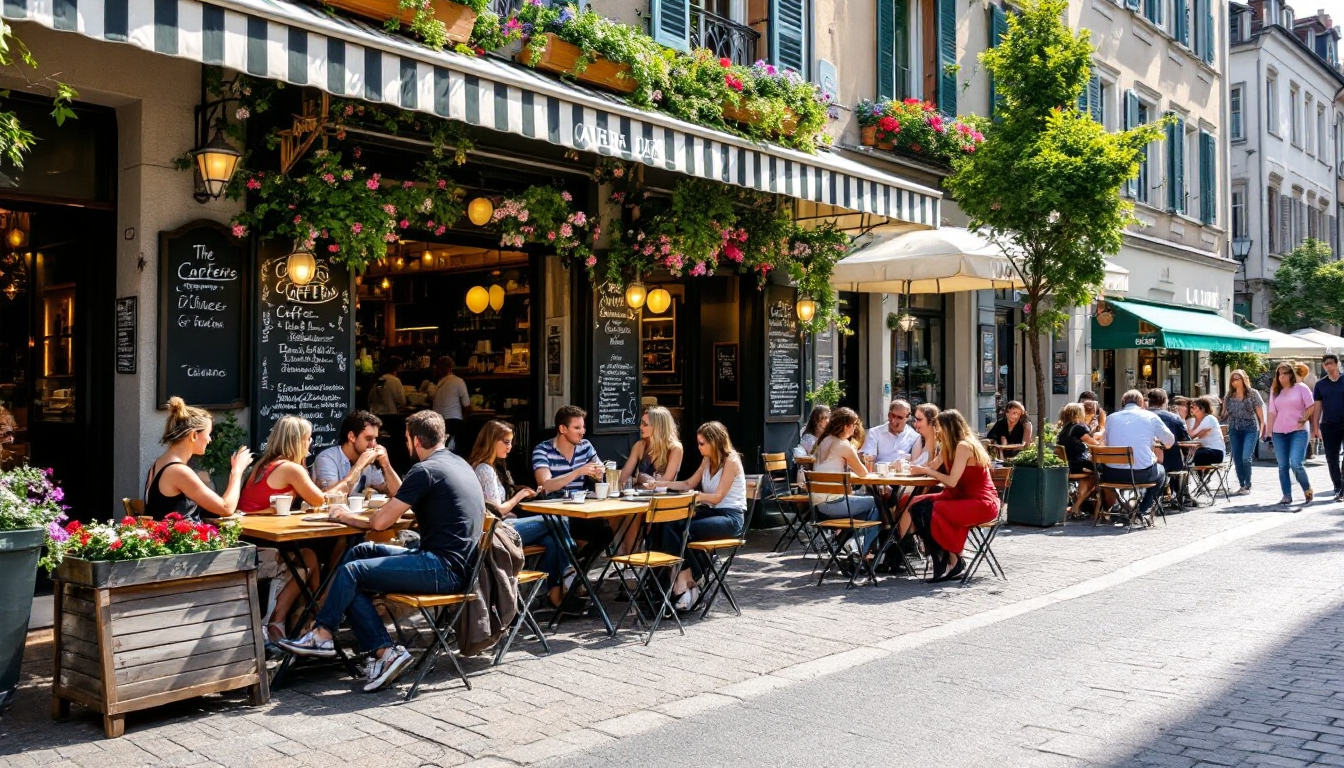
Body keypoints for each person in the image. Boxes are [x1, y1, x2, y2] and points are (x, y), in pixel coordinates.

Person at [279, 410, 486, 693]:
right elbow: (406, 503)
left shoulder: (426, 470)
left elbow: (380, 523)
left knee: (353, 571)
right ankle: (340, 639)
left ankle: (358, 643)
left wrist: (345, 516)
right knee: (360, 553)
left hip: (442, 569)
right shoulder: (455, 463)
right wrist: (388, 469)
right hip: (456, 564)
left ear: (414, 440)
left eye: (406, 438)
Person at [237, 416, 335, 646]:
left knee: (308, 555)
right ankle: (280, 622)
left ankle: (307, 615)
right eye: (308, 439)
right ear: (299, 441)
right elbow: (318, 499)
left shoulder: (262, 464)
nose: (311, 444)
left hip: (246, 543)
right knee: (307, 560)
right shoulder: (291, 468)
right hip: (262, 552)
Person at [469, 420, 572, 609]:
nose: (510, 447)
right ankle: (568, 569)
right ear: (492, 441)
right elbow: (498, 509)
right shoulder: (484, 469)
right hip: (499, 531)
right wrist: (521, 495)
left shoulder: (494, 467)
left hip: (505, 527)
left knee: (553, 540)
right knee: (560, 521)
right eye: (506, 442)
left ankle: (552, 592)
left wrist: (520, 490)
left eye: (510, 442)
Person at [661, 422, 747, 610]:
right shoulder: (707, 460)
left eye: (702, 443)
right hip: (711, 513)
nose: (699, 447)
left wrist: (696, 496)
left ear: (715, 442)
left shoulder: (731, 461)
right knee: (668, 524)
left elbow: (717, 497)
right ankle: (689, 573)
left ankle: (689, 577)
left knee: (683, 529)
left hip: (730, 518)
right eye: (698, 443)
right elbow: (687, 483)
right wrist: (660, 484)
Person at [908, 410, 1000, 583]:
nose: (936, 431)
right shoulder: (950, 446)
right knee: (917, 504)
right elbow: (932, 467)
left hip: (981, 503)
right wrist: (931, 443)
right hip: (961, 498)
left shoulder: (964, 446)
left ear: (948, 427)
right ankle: (946, 557)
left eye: (938, 427)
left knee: (929, 509)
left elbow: (951, 481)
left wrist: (926, 470)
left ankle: (948, 559)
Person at [144, 397, 253, 520]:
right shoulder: (178, 471)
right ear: (194, 435)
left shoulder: (159, 463)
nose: (210, 440)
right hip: (180, 538)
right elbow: (226, 508)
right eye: (208, 434)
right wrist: (237, 472)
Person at [532, 405, 612, 559]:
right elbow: (545, 485)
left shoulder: (586, 446)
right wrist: (578, 471)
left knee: (605, 532)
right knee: (571, 533)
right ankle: (572, 573)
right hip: (556, 513)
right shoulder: (542, 450)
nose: (583, 432)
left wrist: (599, 473)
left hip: (581, 510)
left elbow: (600, 469)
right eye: (577, 428)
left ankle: (576, 575)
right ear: (562, 429)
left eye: (583, 427)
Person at [810, 407, 881, 569]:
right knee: (877, 504)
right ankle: (862, 554)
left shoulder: (824, 440)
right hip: (835, 504)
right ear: (845, 426)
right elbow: (863, 473)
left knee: (865, 511)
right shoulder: (843, 445)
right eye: (853, 425)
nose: (855, 428)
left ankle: (850, 543)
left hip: (818, 505)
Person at [1101, 390, 1175, 521]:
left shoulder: (1111, 418)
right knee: (1161, 471)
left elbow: (1106, 442)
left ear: (1123, 403)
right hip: (1140, 473)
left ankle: (1124, 506)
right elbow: (1169, 440)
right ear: (1142, 403)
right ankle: (1143, 508)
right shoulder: (1150, 417)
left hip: (1112, 474)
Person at [312, 411, 401, 496]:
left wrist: (386, 465)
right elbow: (329, 496)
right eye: (368, 439)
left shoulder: (370, 462)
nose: (373, 444)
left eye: (375, 439)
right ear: (352, 437)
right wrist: (358, 467)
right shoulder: (327, 458)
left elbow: (398, 495)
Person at [1266, 362, 1316, 505]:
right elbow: (1271, 412)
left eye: (1285, 373)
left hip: (1298, 431)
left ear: (1291, 374)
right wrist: (1268, 432)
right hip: (1279, 432)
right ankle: (1287, 496)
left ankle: (1307, 489)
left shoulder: (1301, 388)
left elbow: (1311, 406)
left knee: (1296, 463)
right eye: (1279, 373)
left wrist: (1305, 417)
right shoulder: (1275, 391)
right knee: (1282, 466)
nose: (1281, 376)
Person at [1222, 369, 1266, 496]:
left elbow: (1260, 413)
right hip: (1234, 428)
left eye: (1238, 378)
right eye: (1233, 379)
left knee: (1246, 457)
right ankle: (1242, 485)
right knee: (1237, 458)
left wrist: (1263, 427)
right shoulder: (1229, 396)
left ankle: (1248, 484)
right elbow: (1224, 414)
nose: (1235, 381)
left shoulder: (1252, 394)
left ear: (1243, 379)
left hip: (1250, 428)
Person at [619, 406, 684, 489]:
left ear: (658, 428)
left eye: (645, 425)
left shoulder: (674, 448)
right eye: (641, 423)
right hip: (638, 496)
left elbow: (666, 480)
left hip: (661, 498)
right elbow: (624, 476)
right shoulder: (640, 446)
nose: (640, 427)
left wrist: (643, 479)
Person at [1146, 389, 1191, 503]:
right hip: (1170, 463)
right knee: (1185, 462)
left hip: (1143, 463)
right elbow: (1186, 440)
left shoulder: (1141, 416)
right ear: (1164, 401)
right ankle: (1181, 496)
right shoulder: (1173, 417)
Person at [1056, 403, 1100, 515]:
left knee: (1091, 474)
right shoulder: (1078, 427)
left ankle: (1078, 505)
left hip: (1068, 466)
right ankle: (1077, 505)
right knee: (1100, 473)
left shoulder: (1064, 429)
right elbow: (1094, 444)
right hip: (1078, 464)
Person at [1313, 354, 1344, 502]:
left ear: (1337, 364)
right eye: (1326, 364)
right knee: (1331, 458)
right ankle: (1338, 486)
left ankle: (1342, 488)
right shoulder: (1320, 385)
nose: (1328, 366)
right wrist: (1315, 426)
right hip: (1328, 424)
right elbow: (1317, 407)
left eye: (1331, 363)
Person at [860, 399, 919, 464]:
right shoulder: (874, 433)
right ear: (888, 414)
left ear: (907, 418)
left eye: (899, 417)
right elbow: (869, 458)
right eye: (892, 415)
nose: (893, 420)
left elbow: (915, 462)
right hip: (880, 472)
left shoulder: (914, 437)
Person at [431, 356, 471, 437]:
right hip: (454, 422)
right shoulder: (459, 382)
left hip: (437, 423)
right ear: (450, 368)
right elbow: (467, 405)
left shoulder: (438, 385)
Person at [1187, 396, 1226, 467]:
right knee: (1189, 455)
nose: (1191, 409)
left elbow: (1191, 435)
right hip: (1205, 450)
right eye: (1191, 407)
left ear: (1203, 409)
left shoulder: (1209, 418)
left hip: (1216, 452)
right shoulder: (1195, 420)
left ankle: (1201, 477)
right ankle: (1199, 477)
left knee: (1198, 455)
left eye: (1194, 407)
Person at [910, 403, 942, 469]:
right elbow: (913, 465)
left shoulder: (941, 443)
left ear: (931, 421)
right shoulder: (919, 441)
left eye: (919, 420)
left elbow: (932, 468)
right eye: (915, 420)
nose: (915, 424)